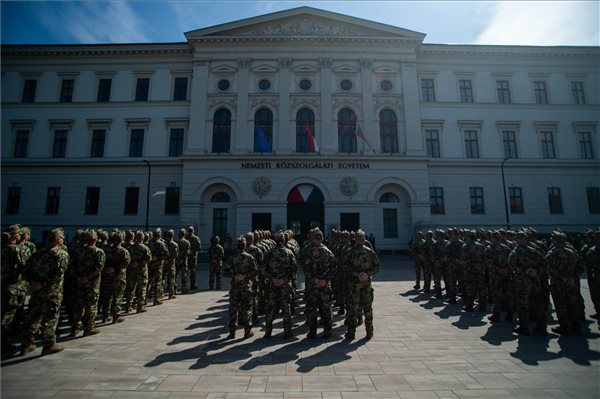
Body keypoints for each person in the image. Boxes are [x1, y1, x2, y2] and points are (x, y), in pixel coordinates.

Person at [20, 228, 70, 356]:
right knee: (50, 318)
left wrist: (34, 283)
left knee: (33, 317)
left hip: (36, 291)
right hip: (52, 292)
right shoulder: (60, 254)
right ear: (58, 239)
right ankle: (49, 345)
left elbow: (26, 271)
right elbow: (58, 275)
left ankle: (26, 344)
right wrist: (42, 284)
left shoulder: (38, 253)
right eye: (62, 238)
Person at [342, 229, 381, 340]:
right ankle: (369, 332)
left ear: (355, 239)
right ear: (364, 239)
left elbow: (344, 267)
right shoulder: (370, 251)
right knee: (367, 308)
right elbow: (378, 266)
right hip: (366, 284)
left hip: (353, 284)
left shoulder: (349, 251)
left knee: (352, 308)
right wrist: (367, 274)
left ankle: (351, 332)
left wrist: (356, 274)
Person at [508, 231, 545, 335]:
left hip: (522, 282)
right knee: (537, 303)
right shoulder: (534, 251)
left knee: (523, 304)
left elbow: (512, 265)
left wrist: (525, 271)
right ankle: (541, 326)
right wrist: (535, 271)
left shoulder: (516, 252)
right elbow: (543, 263)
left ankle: (524, 327)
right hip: (534, 280)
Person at [70, 229, 106, 337]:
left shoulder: (77, 251)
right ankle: (89, 328)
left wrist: (78, 277)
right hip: (92, 283)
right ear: (95, 239)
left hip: (79, 282)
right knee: (91, 305)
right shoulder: (98, 252)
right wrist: (87, 277)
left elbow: (71, 266)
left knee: (78, 305)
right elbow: (99, 267)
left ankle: (75, 328)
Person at [545, 231, 581, 335]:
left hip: (558, 283)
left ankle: (565, 327)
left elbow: (547, 267)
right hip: (571, 283)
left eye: (553, 239)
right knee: (573, 304)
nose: (552, 240)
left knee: (561, 305)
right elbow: (580, 267)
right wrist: (572, 277)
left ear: (556, 241)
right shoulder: (571, 252)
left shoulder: (553, 253)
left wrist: (562, 277)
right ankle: (576, 327)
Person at [263, 231, 297, 339]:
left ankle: (268, 332)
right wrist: (284, 279)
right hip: (285, 284)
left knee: (271, 307)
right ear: (284, 240)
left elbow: (263, 268)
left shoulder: (269, 253)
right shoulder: (289, 253)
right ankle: (287, 332)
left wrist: (272, 279)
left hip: (272, 284)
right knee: (286, 307)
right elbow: (294, 270)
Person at [304, 228, 336, 339]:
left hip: (313, 285)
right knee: (326, 308)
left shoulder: (308, 251)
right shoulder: (328, 252)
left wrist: (314, 280)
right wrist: (325, 280)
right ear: (322, 238)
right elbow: (334, 268)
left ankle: (313, 332)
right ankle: (328, 331)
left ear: (313, 238)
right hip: (325, 285)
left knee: (312, 308)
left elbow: (306, 269)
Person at [225, 236, 258, 339]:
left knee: (233, 309)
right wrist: (245, 276)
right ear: (245, 246)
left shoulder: (232, 257)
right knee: (247, 308)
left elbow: (224, 271)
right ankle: (247, 331)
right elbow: (255, 270)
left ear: (237, 246)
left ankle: (232, 332)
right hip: (246, 287)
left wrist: (234, 276)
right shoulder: (249, 257)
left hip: (235, 286)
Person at [1, 225, 28, 351]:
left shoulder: (2, 248)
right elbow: (24, 267)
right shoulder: (15, 249)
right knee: (8, 315)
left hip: (4, 284)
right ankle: (3, 342)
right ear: (15, 235)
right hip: (12, 286)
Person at [99, 229, 131, 324]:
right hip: (118, 276)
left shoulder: (105, 250)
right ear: (121, 240)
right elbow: (126, 263)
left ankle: (105, 316)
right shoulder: (123, 251)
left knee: (107, 296)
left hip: (107, 276)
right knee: (118, 296)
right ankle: (116, 316)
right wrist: (115, 269)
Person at [124, 231, 152, 313]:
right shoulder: (145, 248)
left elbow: (127, 259)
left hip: (132, 271)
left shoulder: (130, 248)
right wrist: (140, 263)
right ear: (142, 238)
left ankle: (128, 306)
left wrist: (133, 264)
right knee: (142, 288)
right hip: (142, 271)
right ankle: (140, 306)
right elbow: (148, 259)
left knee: (131, 288)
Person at [146, 228, 169, 306]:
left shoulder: (148, 243)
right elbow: (166, 254)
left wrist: (152, 258)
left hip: (150, 265)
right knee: (157, 282)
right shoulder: (162, 244)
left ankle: (145, 299)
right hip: (158, 266)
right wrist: (158, 258)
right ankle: (156, 299)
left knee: (148, 282)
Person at [163, 229, 179, 300]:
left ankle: (160, 293)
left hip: (164, 263)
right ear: (173, 235)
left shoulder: (163, 243)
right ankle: (171, 294)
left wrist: (165, 260)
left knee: (162, 278)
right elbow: (175, 255)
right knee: (171, 278)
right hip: (171, 263)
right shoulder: (175, 245)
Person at [175, 229, 190, 295]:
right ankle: (183, 289)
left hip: (177, 261)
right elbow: (187, 252)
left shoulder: (176, 242)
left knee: (175, 275)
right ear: (184, 234)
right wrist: (182, 259)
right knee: (184, 275)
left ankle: (174, 289)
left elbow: (174, 252)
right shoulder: (187, 242)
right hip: (184, 261)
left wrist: (177, 259)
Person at [187, 226, 201, 290]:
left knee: (185, 271)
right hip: (193, 257)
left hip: (186, 257)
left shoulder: (185, 238)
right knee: (193, 271)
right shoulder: (196, 238)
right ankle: (192, 285)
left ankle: (183, 285)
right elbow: (199, 248)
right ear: (193, 231)